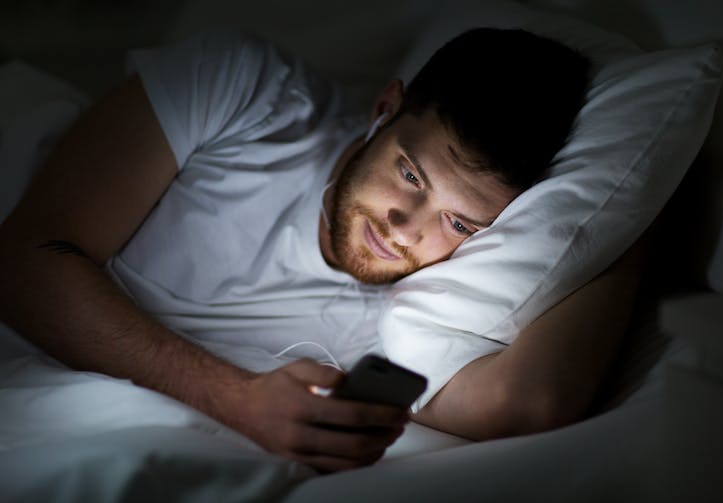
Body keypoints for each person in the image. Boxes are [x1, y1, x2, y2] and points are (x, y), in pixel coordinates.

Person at [0, 28, 642, 472]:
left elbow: (530, 406)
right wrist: (237, 400)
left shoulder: (426, 317)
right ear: (385, 110)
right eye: (411, 175)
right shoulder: (246, 92)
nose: (403, 228)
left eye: (459, 223)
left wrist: (637, 196)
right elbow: (24, 259)